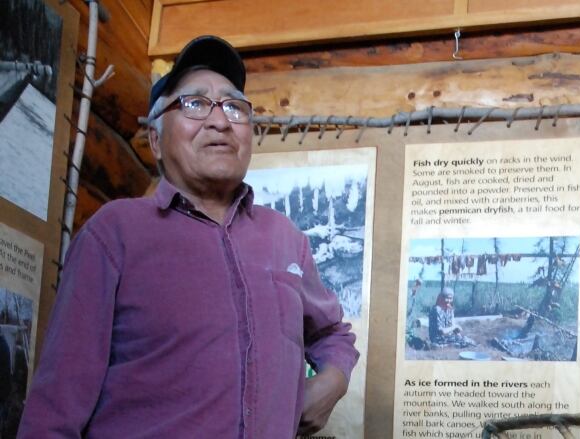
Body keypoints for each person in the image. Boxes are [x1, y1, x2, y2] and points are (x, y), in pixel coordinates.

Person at [18, 35, 358, 438]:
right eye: (194, 104)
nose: (219, 121)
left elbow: (332, 333)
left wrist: (332, 381)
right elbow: (54, 412)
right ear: (157, 142)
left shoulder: (285, 238)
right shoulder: (113, 234)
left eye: (234, 106)